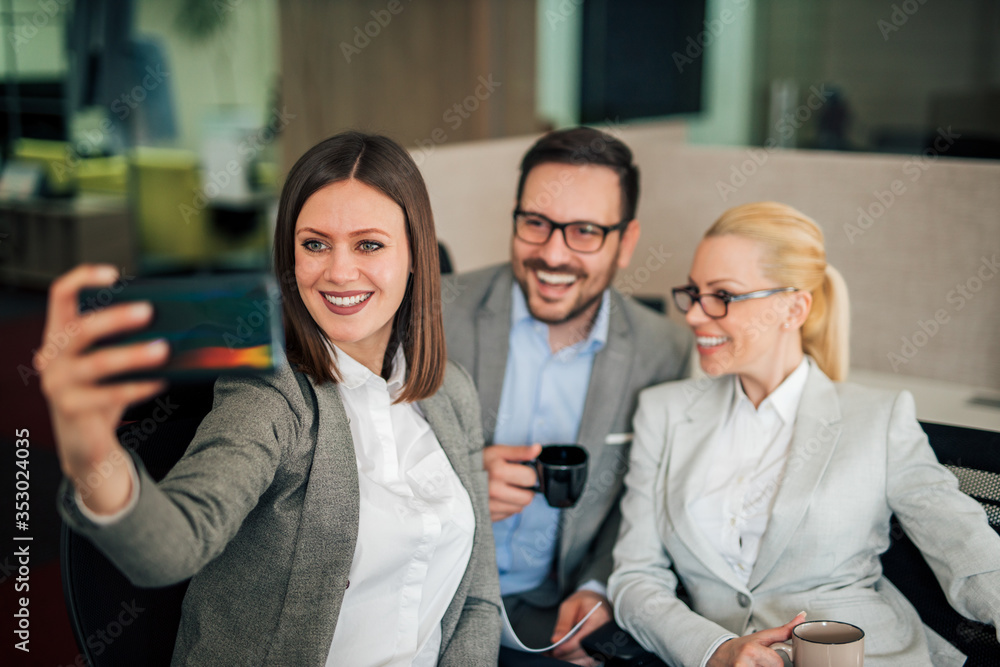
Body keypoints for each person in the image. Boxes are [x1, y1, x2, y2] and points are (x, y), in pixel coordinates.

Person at [40, 132, 501, 666]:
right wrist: (90, 452)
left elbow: (478, 600)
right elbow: (172, 547)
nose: (339, 271)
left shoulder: (451, 393)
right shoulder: (272, 393)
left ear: (417, 254)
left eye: (369, 244)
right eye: (315, 243)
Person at [608, 201, 1000, 667]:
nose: (694, 314)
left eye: (722, 295)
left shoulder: (878, 417)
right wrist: (714, 648)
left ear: (793, 308)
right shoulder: (664, 412)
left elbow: (966, 547)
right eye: (693, 293)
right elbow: (634, 578)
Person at [442, 127, 691, 663]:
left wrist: (602, 588)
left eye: (583, 231)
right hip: (435, 599)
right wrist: (454, 491)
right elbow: (364, 462)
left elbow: (644, 503)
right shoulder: (433, 314)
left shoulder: (666, 351)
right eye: (536, 223)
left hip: (559, 616)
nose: (553, 254)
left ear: (626, 242)